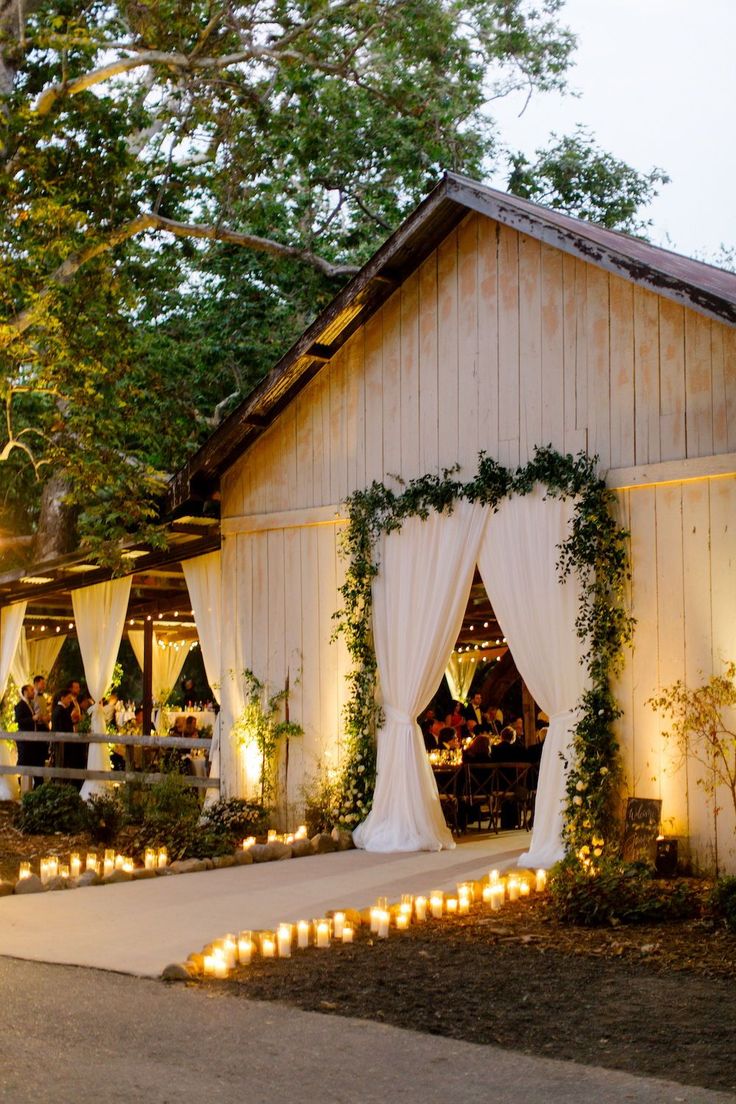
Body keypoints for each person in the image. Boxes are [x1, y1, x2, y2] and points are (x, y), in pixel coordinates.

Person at [14, 684, 44, 791]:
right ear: (25, 692)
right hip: (25, 739)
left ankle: (36, 787)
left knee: (33, 762)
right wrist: (33, 718)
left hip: (32, 740)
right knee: (23, 761)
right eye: (31, 690)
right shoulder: (20, 705)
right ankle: (20, 785)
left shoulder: (30, 704)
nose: (34, 692)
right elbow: (19, 721)